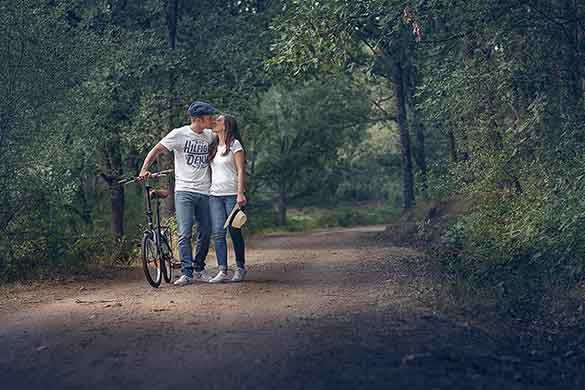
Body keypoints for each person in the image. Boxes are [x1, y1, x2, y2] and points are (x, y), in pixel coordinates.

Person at [139, 101, 218, 286]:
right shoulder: (179, 134)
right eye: (209, 117)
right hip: (184, 191)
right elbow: (157, 149)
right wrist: (144, 169)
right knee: (184, 232)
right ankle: (187, 273)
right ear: (198, 119)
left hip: (205, 191)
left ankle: (199, 269)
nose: (212, 119)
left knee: (206, 231)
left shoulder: (210, 135)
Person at [207, 114, 247, 283]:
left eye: (220, 120)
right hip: (215, 195)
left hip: (232, 194)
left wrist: (240, 193)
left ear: (227, 125)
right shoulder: (213, 146)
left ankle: (240, 268)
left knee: (234, 231)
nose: (215, 121)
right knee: (217, 233)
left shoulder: (234, 145)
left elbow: (240, 170)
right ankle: (222, 270)